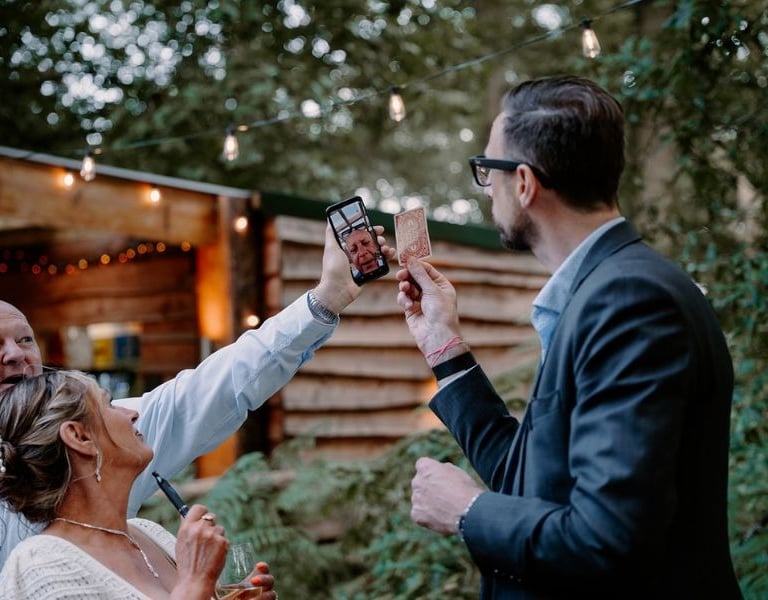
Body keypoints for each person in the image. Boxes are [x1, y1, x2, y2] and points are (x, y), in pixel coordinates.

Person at [396, 76, 741, 599]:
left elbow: (608, 539)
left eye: (488, 171)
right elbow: (529, 479)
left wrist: (468, 511)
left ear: (526, 184)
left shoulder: (629, 302)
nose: (487, 188)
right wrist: (443, 345)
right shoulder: (606, 290)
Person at [0, 224, 395, 564]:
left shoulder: (104, 432)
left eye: (25, 339)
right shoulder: (37, 566)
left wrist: (327, 299)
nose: (16, 354)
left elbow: (215, 386)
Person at [0, 369, 274, 598]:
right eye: (109, 405)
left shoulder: (149, 533)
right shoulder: (40, 567)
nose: (132, 413)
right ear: (79, 436)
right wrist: (194, 582)